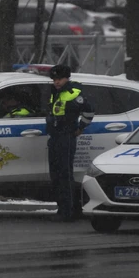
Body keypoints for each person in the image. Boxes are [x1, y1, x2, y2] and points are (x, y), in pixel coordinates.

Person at [45, 64, 94, 222]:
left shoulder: (74, 93)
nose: (56, 82)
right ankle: (63, 208)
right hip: (55, 137)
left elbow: (89, 111)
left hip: (66, 137)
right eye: (54, 79)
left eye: (59, 79)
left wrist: (80, 127)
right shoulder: (55, 93)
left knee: (65, 175)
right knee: (56, 175)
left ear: (67, 78)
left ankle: (69, 211)